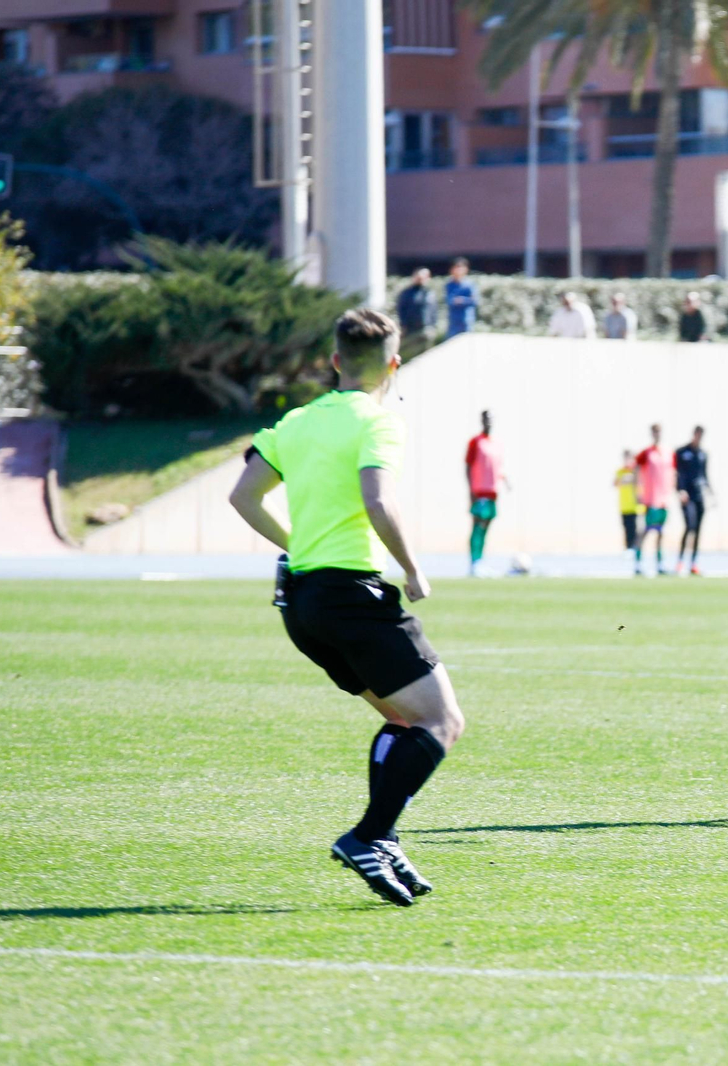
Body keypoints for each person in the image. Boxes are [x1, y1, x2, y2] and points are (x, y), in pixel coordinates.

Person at [228, 308, 463, 906]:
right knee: (442, 722)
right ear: (394, 364)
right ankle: (370, 835)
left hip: (301, 601)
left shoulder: (298, 421)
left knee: (404, 720)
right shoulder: (378, 423)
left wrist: (298, 546)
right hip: (352, 596)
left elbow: (243, 495)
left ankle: (379, 839)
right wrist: (412, 569)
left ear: (334, 360)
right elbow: (378, 502)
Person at [465, 409, 510, 577]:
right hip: (480, 491)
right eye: (486, 419)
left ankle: (480, 561)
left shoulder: (496, 443)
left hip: (492, 492)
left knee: (486, 527)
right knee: (478, 526)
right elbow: (468, 466)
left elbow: (498, 467)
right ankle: (474, 562)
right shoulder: (476, 442)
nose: (488, 422)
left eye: (491, 419)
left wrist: (505, 481)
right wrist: (471, 490)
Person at [633, 423, 675, 577]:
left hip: (664, 499)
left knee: (660, 532)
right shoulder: (646, 453)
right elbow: (636, 469)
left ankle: (659, 563)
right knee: (646, 531)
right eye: (655, 432)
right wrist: (638, 492)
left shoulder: (667, 452)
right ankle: (638, 562)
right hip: (650, 499)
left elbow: (672, 473)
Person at [674, 425, 710, 577]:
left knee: (698, 529)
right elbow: (678, 473)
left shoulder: (702, 454)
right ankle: (680, 561)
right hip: (686, 495)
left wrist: (710, 491)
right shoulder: (682, 452)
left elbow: (704, 475)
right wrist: (680, 490)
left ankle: (694, 562)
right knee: (689, 526)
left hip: (699, 495)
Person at [395, 268, 438, 354]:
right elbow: (401, 310)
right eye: (418, 277)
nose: (420, 279)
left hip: (426, 329)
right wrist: (403, 325)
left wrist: (433, 326)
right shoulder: (406, 293)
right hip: (411, 330)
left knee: (426, 355)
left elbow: (434, 311)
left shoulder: (430, 293)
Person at [613, 449, 641, 569]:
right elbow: (615, 484)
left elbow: (639, 483)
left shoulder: (636, 471)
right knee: (626, 529)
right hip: (624, 506)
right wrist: (623, 478)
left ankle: (635, 551)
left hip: (635, 506)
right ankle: (628, 550)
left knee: (635, 530)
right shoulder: (620, 472)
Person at [445, 257, 478, 337]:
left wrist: (462, 300)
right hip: (454, 321)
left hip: (467, 320)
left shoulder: (470, 285)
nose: (458, 270)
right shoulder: (449, 285)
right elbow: (450, 300)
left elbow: (475, 300)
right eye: (456, 268)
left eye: (461, 268)